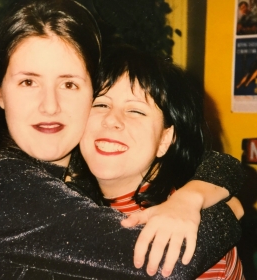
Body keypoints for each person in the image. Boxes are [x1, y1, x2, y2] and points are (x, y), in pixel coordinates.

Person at [0, 0, 243, 279]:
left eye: (69, 84)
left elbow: (214, 162)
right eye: (28, 82)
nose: (50, 106)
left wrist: (195, 196)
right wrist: (228, 209)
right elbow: (166, 264)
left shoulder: (71, 182)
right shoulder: (2, 182)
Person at [79, 45, 244, 279]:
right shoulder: (66, 199)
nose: (111, 120)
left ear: (165, 139)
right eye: (101, 104)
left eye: (135, 111)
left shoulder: (183, 227)